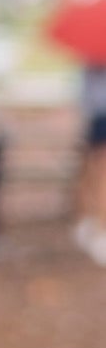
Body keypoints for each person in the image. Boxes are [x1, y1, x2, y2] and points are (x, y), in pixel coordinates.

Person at [72, 61, 106, 266]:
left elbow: (85, 99)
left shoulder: (89, 68)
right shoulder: (91, 67)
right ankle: (95, 225)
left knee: (93, 174)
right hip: (99, 121)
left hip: (96, 121)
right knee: (96, 174)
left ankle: (90, 222)